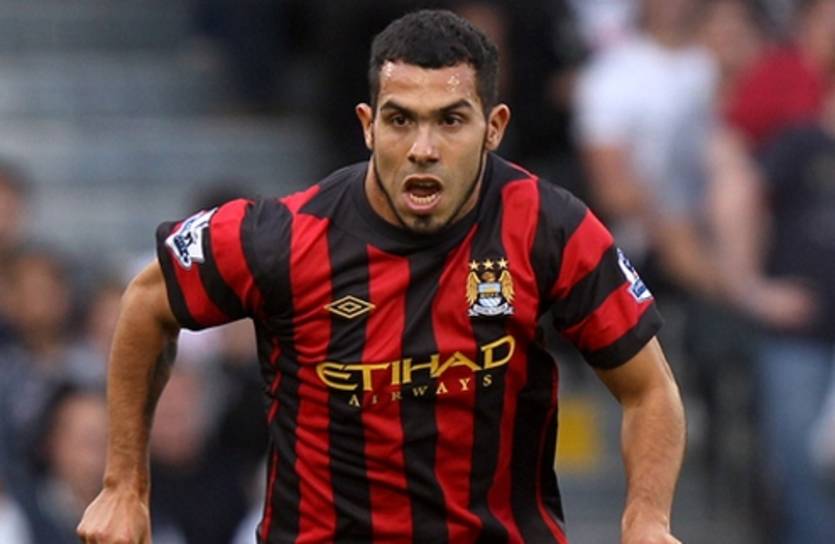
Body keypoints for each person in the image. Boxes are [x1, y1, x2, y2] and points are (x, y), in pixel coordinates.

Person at [77, 10, 685, 543]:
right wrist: (123, 484)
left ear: (494, 127)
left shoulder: (550, 227)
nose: (423, 147)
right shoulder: (287, 236)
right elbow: (146, 302)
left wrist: (647, 519)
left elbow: (649, 390)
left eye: (451, 120)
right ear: (367, 125)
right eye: (400, 120)